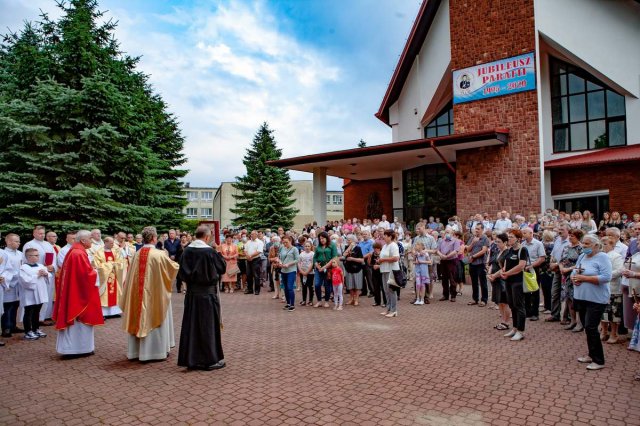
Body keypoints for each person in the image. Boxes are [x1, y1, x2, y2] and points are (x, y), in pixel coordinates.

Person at [121, 226, 179, 362]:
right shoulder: (159, 254)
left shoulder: (137, 254)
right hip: (156, 295)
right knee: (157, 314)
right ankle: (156, 352)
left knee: (139, 315)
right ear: (153, 238)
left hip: (137, 297)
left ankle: (137, 352)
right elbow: (173, 268)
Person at [177, 225, 225, 370]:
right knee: (207, 326)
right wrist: (218, 252)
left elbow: (181, 272)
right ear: (207, 237)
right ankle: (209, 360)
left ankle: (191, 359)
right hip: (207, 295)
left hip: (192, 294)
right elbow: (222, 268)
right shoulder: (210, 252)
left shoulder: (187, 251)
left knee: (191, 326)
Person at [53, 230, 104, 358]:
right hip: (78, 295)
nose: (92, 241)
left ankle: (78, 348)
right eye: (90, 238)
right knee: (79, 321)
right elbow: (85, 276)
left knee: (78, 324)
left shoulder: (76, 251)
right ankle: (75, 350)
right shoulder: (78, 253)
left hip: (74, 291)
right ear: (83, 240)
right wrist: (96, 272)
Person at [571, 235, 612, 370]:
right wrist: (573, 278)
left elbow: (606, 277)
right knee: (587, 328)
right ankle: (591, 354)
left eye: (587, 244)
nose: (584, 246)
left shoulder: (603, 257)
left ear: (596, 245)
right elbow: (575, 271)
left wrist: (584, 278)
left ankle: (599, 360)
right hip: (581, 297)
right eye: (583, 243)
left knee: (591, 327)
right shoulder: (582, 256)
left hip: (596, 299)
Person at [22, 225, 57, 325]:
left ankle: (44, 317)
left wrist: (53, 266)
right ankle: (34, 319)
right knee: (37, 297)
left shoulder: (48, 244)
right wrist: (41, 269)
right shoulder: (29, 244)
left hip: (48, 274)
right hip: (37, 274)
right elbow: (26, 260)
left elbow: (55, 257)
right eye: (40, 233)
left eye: (43, 233)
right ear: (34, 234)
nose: (42, 235)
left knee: (47, 295)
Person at [500, 229, 528, 341]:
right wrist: (503, 271)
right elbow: (506, 263)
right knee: (512, 305)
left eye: (511, 237)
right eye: (509, 237)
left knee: (519, 306)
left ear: (518, 239)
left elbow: (521, 266)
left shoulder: (523, 250)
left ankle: (521, 331)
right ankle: (515, 328)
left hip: (518, 281)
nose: (509, 239)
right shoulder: (510, 249)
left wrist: (507, 273)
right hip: (508, 281)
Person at [19, 248, 49, 341]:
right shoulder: (23, 268)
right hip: (29, 294)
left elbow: (48, 276)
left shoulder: (41, 265)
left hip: (40, 292)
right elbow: (25, 281)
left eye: (37, 255)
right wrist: (37, 275)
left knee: (37, 312)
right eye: (35, 255)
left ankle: (36, 329)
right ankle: (28, 331)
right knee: (28, 312)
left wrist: (45, 274)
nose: (38, 257)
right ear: (28, 257)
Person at [93, 236, 126, 318]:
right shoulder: (99, 252)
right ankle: (104, 313)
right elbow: (97, 265)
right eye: (111, 243)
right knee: (104, 294)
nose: (113, 244)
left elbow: (120, 262)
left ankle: (113, 312)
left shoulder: (115, 251)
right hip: (104, 278)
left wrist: (116, 265)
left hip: (114, 275)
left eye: (113, 243)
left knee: (115, 293)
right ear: (105, 242)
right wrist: (110, 265)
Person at [600, 236, 624, 344]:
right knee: (603, 311)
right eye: (602, 244)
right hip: (601, 287)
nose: (603, 246)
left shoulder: (616, 256)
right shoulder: (600, 255)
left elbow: (619, 271)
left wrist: (605, 275)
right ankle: (604, 331)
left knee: (614, 312)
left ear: (612, 245)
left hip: (613, 288)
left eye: (605, 244)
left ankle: (614, 334)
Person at [521, 227, 546, 321]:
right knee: (526, 291)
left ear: (531, 233)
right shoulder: (523, 244)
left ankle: (535, 313)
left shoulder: (538, 244)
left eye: (525, 233)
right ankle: (528, 312)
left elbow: (542, 258)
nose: (523, 235)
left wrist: (531, 266)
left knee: (535, 290)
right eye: (523, 233)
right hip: (524, 268)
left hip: (534, 269)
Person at [546, 224, 570, 322]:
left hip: (566, 271)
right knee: (554, 292)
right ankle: (555, 314)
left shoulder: (570, 241)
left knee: (566, 294)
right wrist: (551, 263)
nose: (560, 231)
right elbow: (553, 254)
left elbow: (568, 257)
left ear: (568, 231)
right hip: (556, 271)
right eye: (559, 229)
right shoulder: (557, 240)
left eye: (562, 229)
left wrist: (556, 264)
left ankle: (566, 317)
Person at [1, 234, 23, 338]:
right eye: (16, 241)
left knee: (15, 304)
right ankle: (6, 328)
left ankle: (13, 325)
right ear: (8, 242)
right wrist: (9, 279)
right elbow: (4, 269)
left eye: (19, 241)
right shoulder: (3, 254)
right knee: (7, 306)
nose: (19, 243)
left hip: (18, 283)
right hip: (8, 284)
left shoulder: (20, 254)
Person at [488, 233, 511, 330]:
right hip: (495, 280)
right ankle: (502, 321)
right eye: (496, 242)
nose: (497, 244)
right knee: (499, 301)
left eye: (499, 242)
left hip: (502, 280)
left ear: (505, 242)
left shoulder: (507, 253)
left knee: (505, 302)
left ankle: (507, 322)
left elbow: (504, 268)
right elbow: (492, 263)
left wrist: (494, 275)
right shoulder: (497, 251)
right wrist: (490, 273)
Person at [466, 224, 490, 307]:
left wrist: (473, 256)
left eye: (478, 229)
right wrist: (473, 242)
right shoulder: (472, 238)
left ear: (482, 230)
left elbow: (484, 250)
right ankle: (475, 299)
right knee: (474, 282)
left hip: (481, 263)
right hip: (472, 264)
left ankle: (484, 300)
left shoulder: (485, 238)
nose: (476, 230)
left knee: (483, 282)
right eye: (476, 228)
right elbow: (468, 249)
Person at [379, 230, 400, 318]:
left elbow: (396, 258)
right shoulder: (384, 246)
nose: (383, 237)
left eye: (385, 235)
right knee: (386, 290)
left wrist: (383, 260)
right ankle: (388, 308)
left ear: (390, 237)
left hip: (391, 270)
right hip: (384, 270)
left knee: (391, 290)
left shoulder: (393, 245)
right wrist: (379, 261)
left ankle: (394, 310)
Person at [313, 232, 337, 308]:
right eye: (320, 239)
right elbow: (315, 257)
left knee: (327, 285)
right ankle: (319, 301)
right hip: (318, 268)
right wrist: (317, 265)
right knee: (317, 284)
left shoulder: (332, 245)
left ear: (326, 238)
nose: (321, 240)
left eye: (323, 238)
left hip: (328, 269)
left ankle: (326, 301)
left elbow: (334, 257)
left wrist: (324, 267)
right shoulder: (319, 246)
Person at [436, 230, 460, 302]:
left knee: (452, 278)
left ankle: (453, 295)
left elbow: (456, 251)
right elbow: (437, 250)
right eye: (446, 232)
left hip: (451, 261)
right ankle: (445, 295)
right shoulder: (441, 241)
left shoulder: (456, 241)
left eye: (448, 232)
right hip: (443, 261)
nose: (447, 234)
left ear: (452, 233)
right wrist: (441, 255)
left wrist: (447, 256)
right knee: (444, 279)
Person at [278, 236, 299, 312]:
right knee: (285, 287)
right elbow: (280, 257)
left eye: (286, 242)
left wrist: (289, 264)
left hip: (291, 270)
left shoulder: (294, 249)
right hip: (283, 270)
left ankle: (292, 305)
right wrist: (280, 262)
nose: (285, 244)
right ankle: (288, 303)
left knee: (290, 287)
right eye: (283, 242)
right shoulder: (282, 248)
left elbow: (297, 259)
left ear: (290, 241)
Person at [343, 234, 364, 306]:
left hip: (357, 269)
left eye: (349, 240)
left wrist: (352, 259)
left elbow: (362, 260)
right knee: (350, 285)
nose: (347, 241)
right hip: (348, 269)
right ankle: (351, 299)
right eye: (347, 240)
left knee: (357, 285)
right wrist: (349, 247)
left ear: (353, 240)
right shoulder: (346, 247)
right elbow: (344, 255)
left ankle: (356, 299)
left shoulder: (358, 248)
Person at [244, 230, 264, 295]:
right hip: (248, 260)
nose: (251, 235)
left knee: (256, 275)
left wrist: (251, 256)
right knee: (248, 275)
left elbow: (259, 251)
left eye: (253, 234)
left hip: (256, 260)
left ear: (256, 235)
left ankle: (257, 290)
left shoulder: (260, 242)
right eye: (251, 234)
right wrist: (247, 256)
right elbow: (245, 250)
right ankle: (250, 289)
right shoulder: (248, 242)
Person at [298, 242, 314, 306]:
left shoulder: (312, 254)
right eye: (306, 246)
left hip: (310, 272)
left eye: (308, 246)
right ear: (304, 247)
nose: (307, 247)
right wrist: (301, 271)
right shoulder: (301, 254)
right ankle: (304, 300)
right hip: (302, 272)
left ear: (311, 247)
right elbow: (299, 262)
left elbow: (312, 263)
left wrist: (307, 271)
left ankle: (310, 300)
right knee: (304, 286)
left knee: (310, 286)